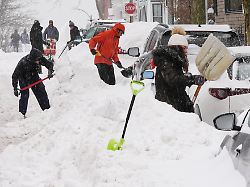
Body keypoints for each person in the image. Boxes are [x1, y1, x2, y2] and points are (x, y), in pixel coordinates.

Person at [152, 33, 205, 113]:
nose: (186, 51)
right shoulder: (165, 60)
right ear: (176, 47)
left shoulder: (173, 60)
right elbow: (173, 80)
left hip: (175, 102)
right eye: (184, 48)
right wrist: (192, 79)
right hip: (169, 107)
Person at [12, 48, 54, 118]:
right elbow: (14, 76)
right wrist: (15, 88)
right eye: (37, 60)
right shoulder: (22, 63)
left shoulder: (38, 58)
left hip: (34, 77)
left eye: (39, 59)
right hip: (23, 79)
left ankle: (47, 109)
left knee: (41, 91)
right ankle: (22, 114)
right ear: (32, 59)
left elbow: (49, 64)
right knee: (25, 96)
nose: (39, 61)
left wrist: (50, 71)